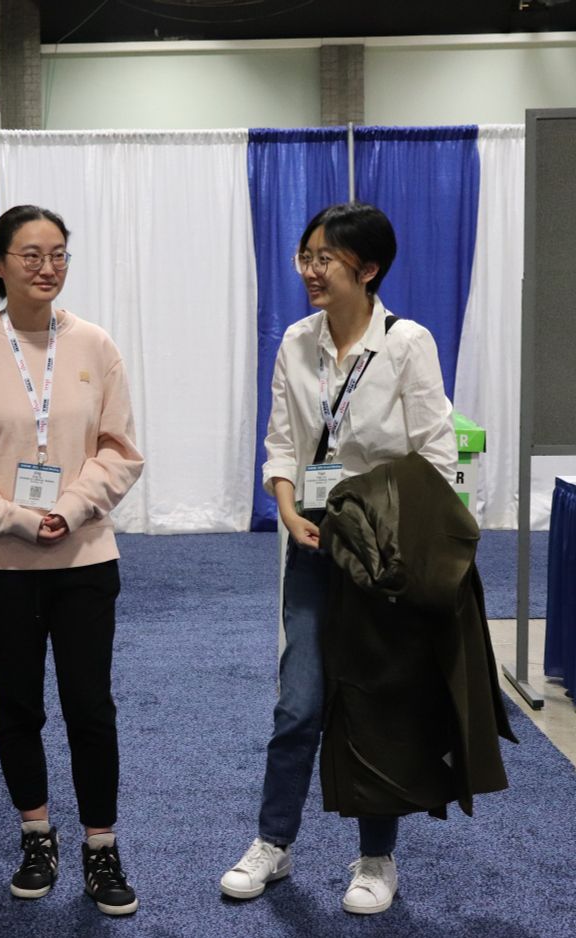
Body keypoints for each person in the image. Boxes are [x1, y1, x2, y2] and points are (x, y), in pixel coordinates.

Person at [219, 202, 457, 915]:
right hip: (313, 544)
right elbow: (283, 441)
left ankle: (376, 858)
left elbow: (436, 454)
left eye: (325, 259)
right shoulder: (295, 341)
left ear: (368, 269)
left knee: (375, 701)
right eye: (306, 256)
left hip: (380, 553)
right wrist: (288, 510)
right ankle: (274, 842)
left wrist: (390, 530)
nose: (311, 271)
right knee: (298, 702)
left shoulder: (407, 343)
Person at [0, 205, 145, 916]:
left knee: (92, 707)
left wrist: (71, 507)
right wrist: (17, 518)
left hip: (84, 556)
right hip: (3, 562)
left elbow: (120, 450)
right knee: (18, 706)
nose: (46, 267)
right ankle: (36, 836)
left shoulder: (95, 345)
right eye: (29, 255)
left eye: (58, 254)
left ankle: (101, 845)